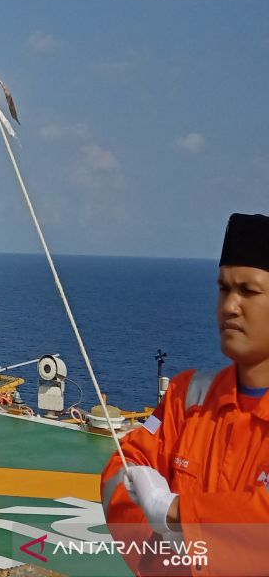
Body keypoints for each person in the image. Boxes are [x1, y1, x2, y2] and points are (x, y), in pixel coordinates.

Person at [101, 213, 269, 576]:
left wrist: (175, 513)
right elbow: (120, 470)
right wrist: (166, 555)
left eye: (249, 291)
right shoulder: (187, 396)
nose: (229, 306)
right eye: (223, 289)